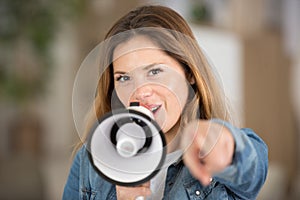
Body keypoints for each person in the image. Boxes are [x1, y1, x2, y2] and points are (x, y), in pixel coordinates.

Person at [63, 5, 268, 200]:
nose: (139, 92)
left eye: (154, 71)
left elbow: (253, 165)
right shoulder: (89, 161)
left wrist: (223, 143)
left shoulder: (216, 162)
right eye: (124, 78)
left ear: (189, 73)